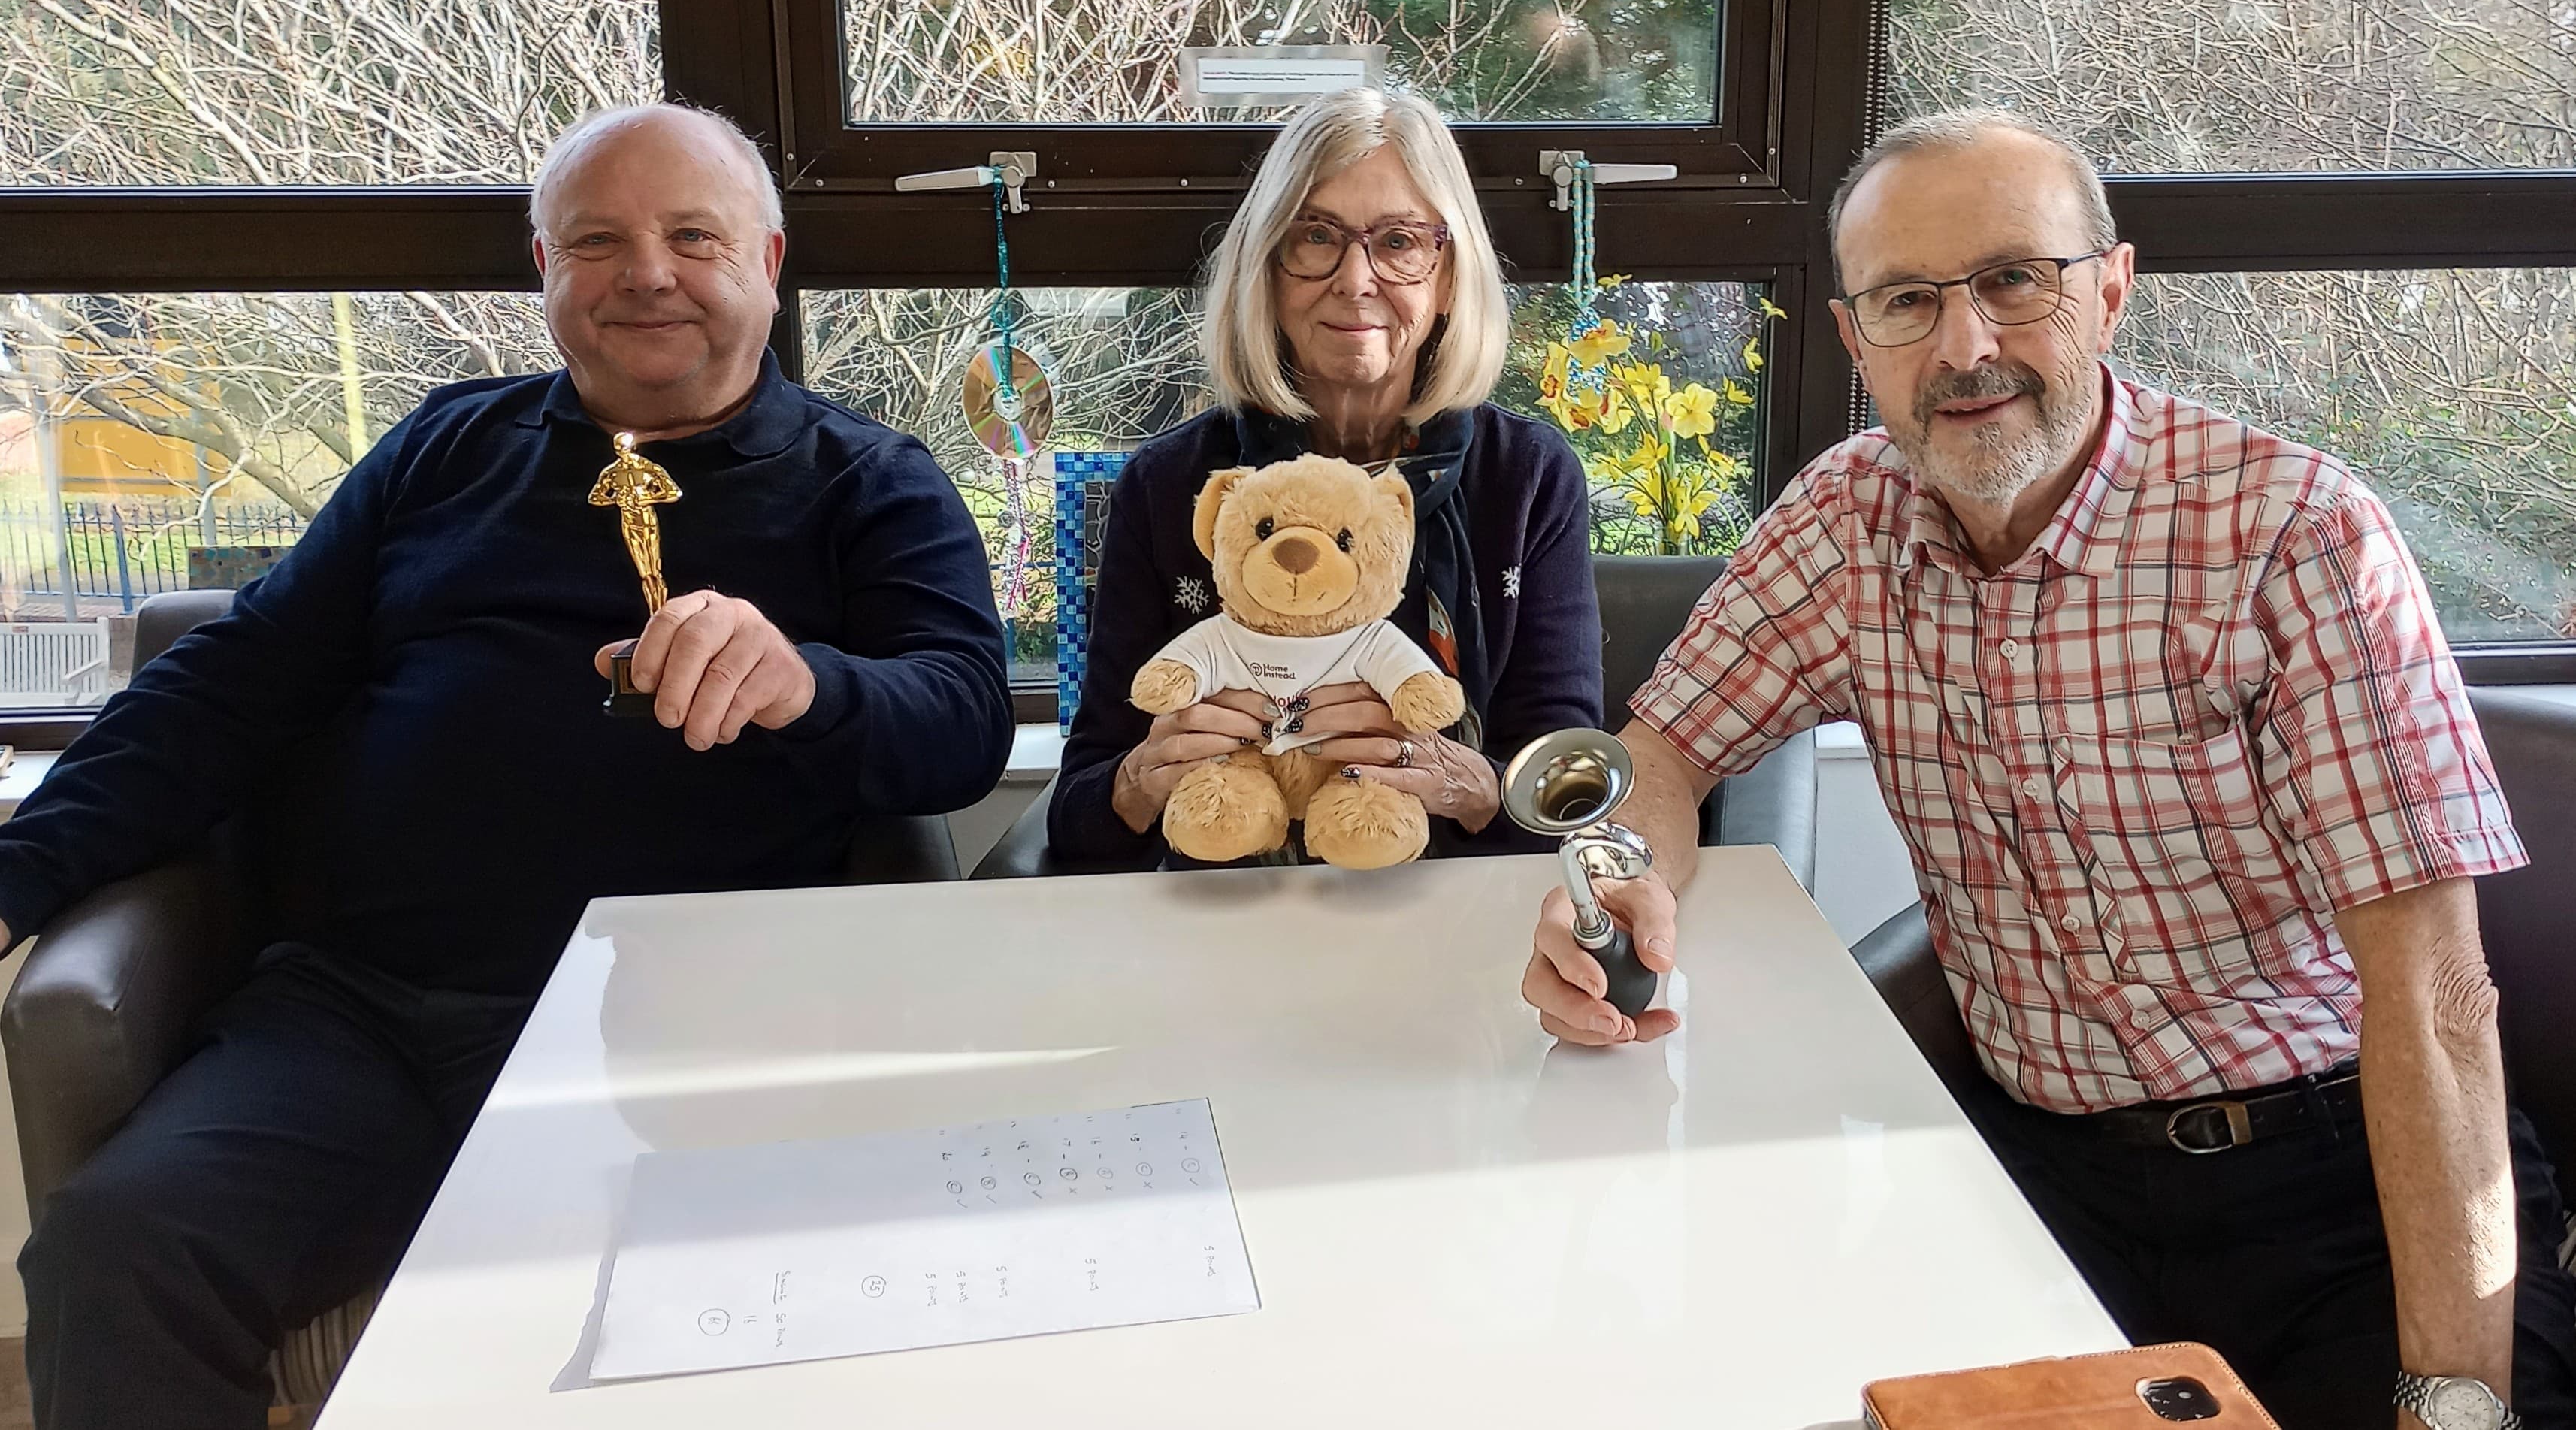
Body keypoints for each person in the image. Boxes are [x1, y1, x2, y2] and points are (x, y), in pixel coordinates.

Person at [1519, 108, 2576, 1430]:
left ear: (2111, 291)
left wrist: (2450, 1400)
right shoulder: (1846, 521)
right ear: (1854, 337)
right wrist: (1611, 878)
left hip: (2339, 1181)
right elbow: (1666, 745)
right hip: (2034, 1177)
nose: (1964, 347)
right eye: (1908, 301)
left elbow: (2435, 1001)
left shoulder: (2292, 535)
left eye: (2014, 280)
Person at [2, 104, 1014, 1430]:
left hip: (683, 1032)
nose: (647, 273)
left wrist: (808, 682)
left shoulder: (868, 481)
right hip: (364, 1011)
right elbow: (223, 689)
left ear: (768, 262)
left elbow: (961, 720)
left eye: (694, 237)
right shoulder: (442, 449)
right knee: (116, 1251)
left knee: (664, 1320)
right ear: (544, 267)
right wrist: (17, 878)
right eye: (597, 242)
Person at [1051, 86, 1601, 867]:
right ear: (1266, 269)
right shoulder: (1171, 483)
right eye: (1316, 236)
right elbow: (1077, 821)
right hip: (1223, 912)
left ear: (1448, 278)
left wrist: (1466, 784)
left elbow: (1567, 797)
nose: (1355, 278)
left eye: (1399, 241)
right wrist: (1141, 780)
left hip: (1454, 911)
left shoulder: (1527, 478)